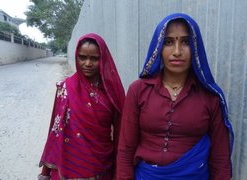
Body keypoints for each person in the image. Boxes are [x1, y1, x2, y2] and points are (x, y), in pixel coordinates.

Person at [116, 13, 234, 180]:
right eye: (168, 42)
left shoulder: (210, 97)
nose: (177, 51)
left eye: (185, 42)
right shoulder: (138, 90)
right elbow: (125, 150)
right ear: (158, 48)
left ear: (196, 47)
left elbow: (220, 158)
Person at [38, 33, 125, 180]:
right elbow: (55, 129)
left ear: (103, 59)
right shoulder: (66, 88)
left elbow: (120, 133)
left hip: (102, 167)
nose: (88, 63)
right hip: (68, 166)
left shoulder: (112, 92)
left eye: (94, 58)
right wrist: (46, 171)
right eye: (82, 57)